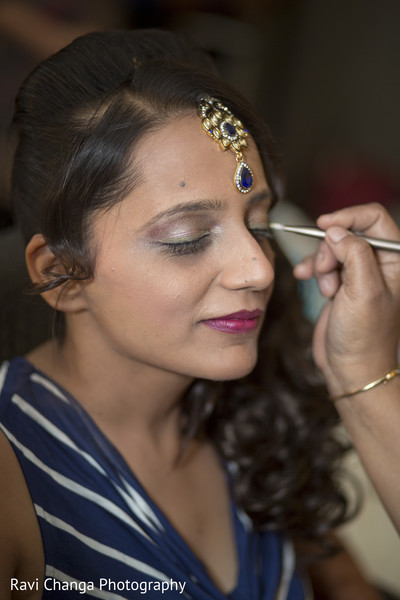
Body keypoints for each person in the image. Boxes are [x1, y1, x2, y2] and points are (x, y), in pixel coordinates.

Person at [0, 29, 399, 599]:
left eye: (258, 224)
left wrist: (364, 368)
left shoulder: (253, 422)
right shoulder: (10, 474)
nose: (259, 269)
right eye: (187, 237)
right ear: (59, 274)